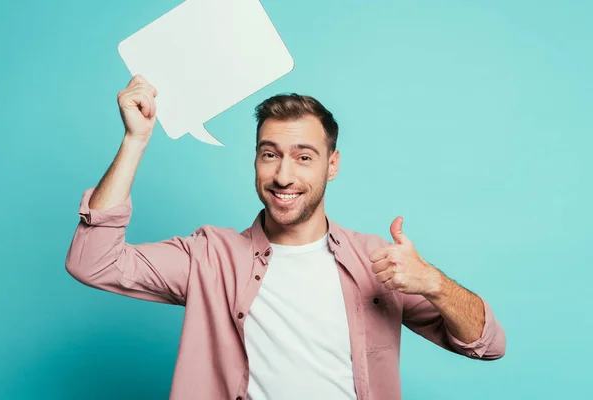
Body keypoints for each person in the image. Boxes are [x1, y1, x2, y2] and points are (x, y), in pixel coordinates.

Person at [66, 74, 506, 400]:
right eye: (269, 154)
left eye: (304, 156)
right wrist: (135, 139)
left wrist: (433, 282)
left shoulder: (377, 260)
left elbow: (488, 344)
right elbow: (94, 262)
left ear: (332, 165)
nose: (283, 175)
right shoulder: (209, 256)